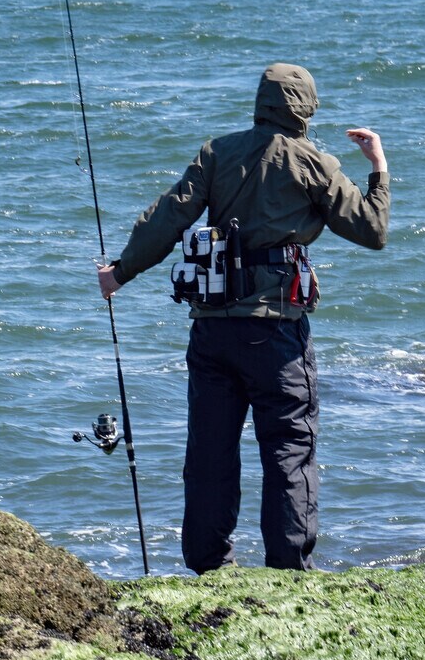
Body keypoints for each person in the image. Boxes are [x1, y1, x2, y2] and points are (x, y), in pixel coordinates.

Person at [97, 63, 388, 572]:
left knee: (210, 452)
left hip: (212, 327)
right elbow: (372, 230)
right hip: (276, 332)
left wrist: (121, 272)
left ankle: (209, 565)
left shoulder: (217, 153)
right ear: (304, 108)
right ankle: (289, 569)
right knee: (289, 449)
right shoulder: (315, 162)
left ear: (260, 103)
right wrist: (378, 167)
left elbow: (169, 216)